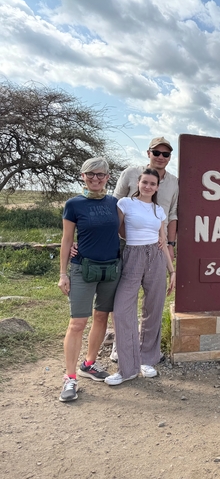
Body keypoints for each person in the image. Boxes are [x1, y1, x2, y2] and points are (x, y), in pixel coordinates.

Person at [108, 136, 178, 362]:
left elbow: (172, 215)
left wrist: (170, 245)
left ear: (169, 157)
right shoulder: (130, 173)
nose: (160, 157)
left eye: (165, 154)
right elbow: (114, 206)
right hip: (126, 245)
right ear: (148, 153)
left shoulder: (174, 182)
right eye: (156, 152)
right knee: (122, 300)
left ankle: (148, 353)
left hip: (157, 246)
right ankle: (121, 346)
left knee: (153, 303)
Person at [57, 158, 121, 402]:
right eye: (91, 174)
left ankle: (89, 364)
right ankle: (70, 378)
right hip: (82, 269)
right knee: (77, 323)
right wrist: (63, 273)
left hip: (110, 269)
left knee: (102, 317)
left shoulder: (114, 203)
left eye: (101, 174)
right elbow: (66, 240)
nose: (96, 179)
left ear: (107, 177)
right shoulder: (74, 204)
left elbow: (123, 232)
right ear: (82, 176)